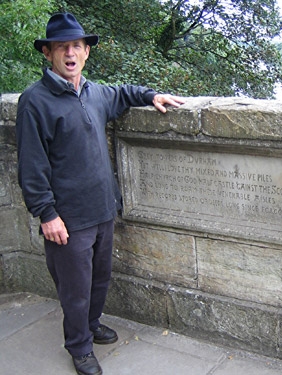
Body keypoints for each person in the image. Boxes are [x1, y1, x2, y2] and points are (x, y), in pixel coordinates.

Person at [16, 12, 185, 375]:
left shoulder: (94, 93)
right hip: (68, 218)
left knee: (99, 279)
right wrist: (47, 214)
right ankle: (79, 347)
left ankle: (90, 326)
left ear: (86, 53)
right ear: (48, 53)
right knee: (74, 290)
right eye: (61, 47)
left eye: (76, 46)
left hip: (102, 210)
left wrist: (152, 94)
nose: (70, 53)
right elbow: (31, 166)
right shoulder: (35, 101)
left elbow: (124, 93)